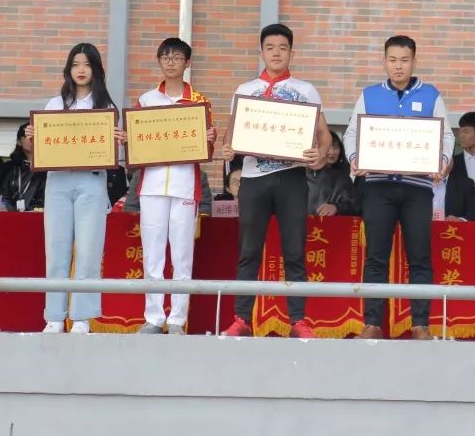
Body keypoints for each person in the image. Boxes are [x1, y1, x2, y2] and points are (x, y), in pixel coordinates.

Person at [221, 23, 332, 339]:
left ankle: (299, 320)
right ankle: (242, 318)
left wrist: (320, 153)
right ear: (261, 52)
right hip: (253, 178)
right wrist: (227, 148)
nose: (276, 53)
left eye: (283, 48)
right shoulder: (245, 90)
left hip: (292, 178)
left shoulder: (305, 90)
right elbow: (231, 135)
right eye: (270, 47)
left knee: (295, 250)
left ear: (291, 53)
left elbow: (323, 135)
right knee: (248, 251)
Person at [345, 35, 456, 340]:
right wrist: (355, 158)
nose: (398, 66)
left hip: (417, 188)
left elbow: (446, 136)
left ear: (414, 62)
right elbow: (352, 133)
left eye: (404, 60)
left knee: (419, 256)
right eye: (392, 60)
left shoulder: (431, 95)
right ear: (384, 61)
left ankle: (420, 324)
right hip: (378, 186)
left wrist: (442, 161)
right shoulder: (369, 95)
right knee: (376, 257)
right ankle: (372, 323)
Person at [27, 43, 126, 335]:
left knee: (88, 251)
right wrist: (33, 137)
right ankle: (55, 316)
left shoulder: (106, 107)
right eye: (75, 64)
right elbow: (41, 150)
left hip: (91, 182)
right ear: (68, 69)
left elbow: (114, 158)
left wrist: (120, 141)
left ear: (96, 69)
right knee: (56, 250)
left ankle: (82, 317)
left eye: (86, 64)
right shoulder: (54, 104)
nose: (81, 70)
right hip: (58, 182)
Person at [132, 37, 216, 336]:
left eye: (177, 57)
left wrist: (208, 139)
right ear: (159, 61)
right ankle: (154, 317)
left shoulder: (200, 102)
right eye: (165, 57)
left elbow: (207, 149)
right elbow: (137, 144)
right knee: (152, 254)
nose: (170, 62)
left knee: (182, 255)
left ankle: (178, 319)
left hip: (184, 186)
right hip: (152, 186)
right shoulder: (146, 100)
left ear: (187, 63)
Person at [306, 131, 359, 217]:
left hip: (331, 223)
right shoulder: (300, 175)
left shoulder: (343, 178)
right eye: (328, 147)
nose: (332, 152)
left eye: (335, 147)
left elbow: (354, 206)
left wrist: (336, 207)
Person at [0, 123, 46, 212]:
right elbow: (4, 196)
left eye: (35, 135)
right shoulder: (10, 167)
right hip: (15, 216)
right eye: (27, 135)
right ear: (19, 141)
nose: (31, 138)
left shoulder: (49, 166)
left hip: (42, 215)